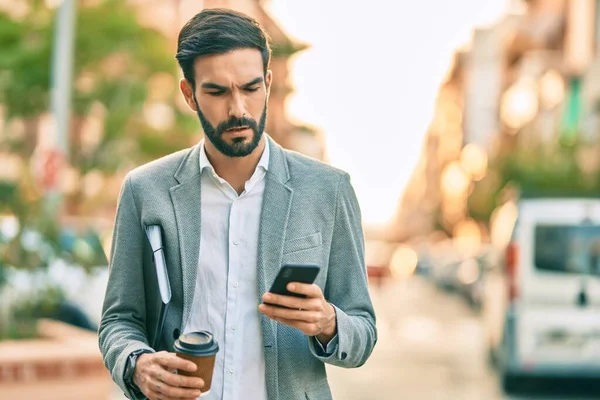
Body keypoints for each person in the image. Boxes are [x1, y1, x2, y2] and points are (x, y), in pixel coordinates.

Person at [99, 8, 376, 400]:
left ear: (267, 82)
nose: (238, 109)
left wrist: (329, 322)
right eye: (217, 92)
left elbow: (363, 330)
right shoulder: (145, 190)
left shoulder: (328, 190)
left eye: (250, 88)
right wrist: (136, 364)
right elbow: (119, 320)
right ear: (189, 94)